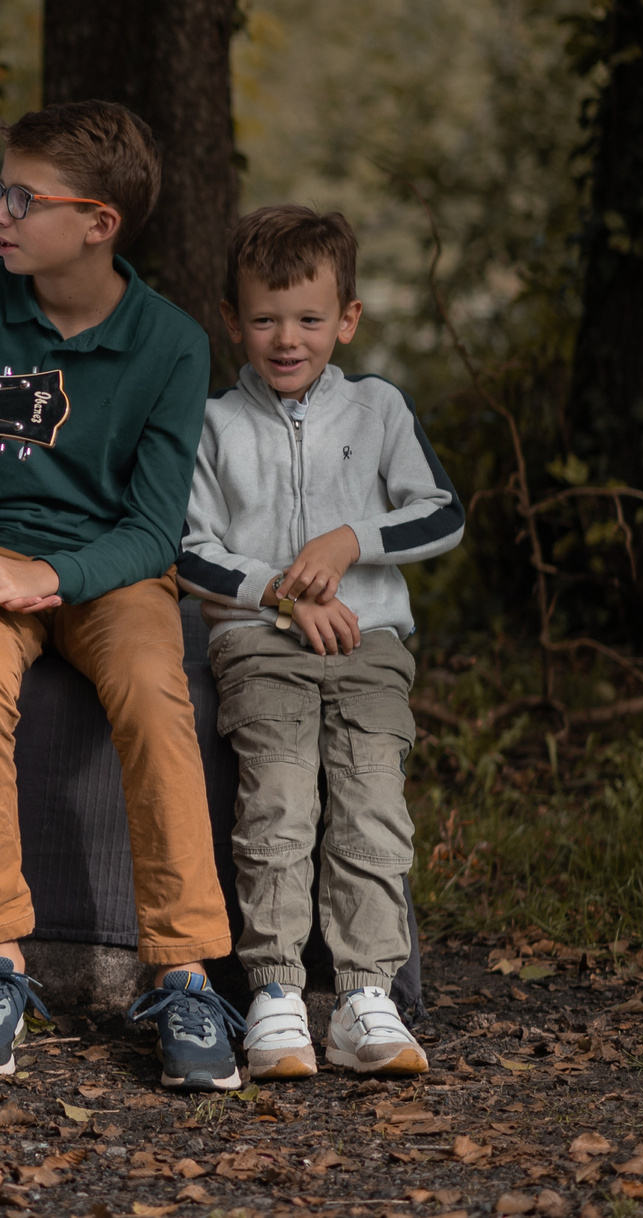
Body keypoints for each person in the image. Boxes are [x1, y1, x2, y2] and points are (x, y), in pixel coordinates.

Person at [0, 102, 239, 1088]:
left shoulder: (168, 343)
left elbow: (152, 527)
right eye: (0, 189)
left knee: (158, 695)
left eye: (22, 198)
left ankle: (183, 970)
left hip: (108, 570)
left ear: (98, 222)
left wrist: (53, 577)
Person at [175, 205, 463, 1079]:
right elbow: (188, 549)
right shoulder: (214, 423)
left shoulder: (378, 409)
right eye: (264, 319)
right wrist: (280, 594)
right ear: (233, 321)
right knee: (279, 804)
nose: (286, 339)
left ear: (348, 319)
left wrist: (347, 542)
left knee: (373, 806)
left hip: (370, 642)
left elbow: (441, 514)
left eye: (309, 319)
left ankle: (366, 996)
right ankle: (274, 992)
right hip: (260, 644)